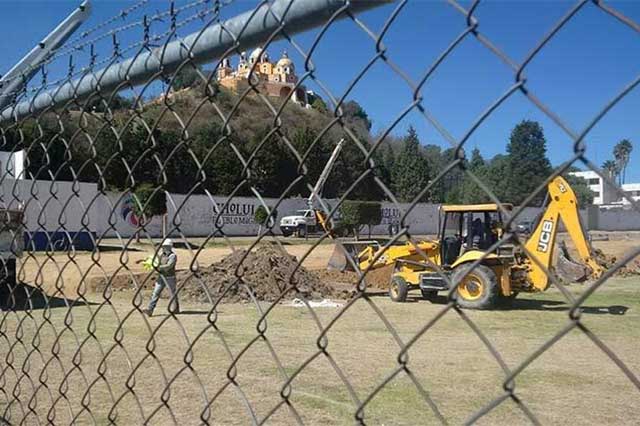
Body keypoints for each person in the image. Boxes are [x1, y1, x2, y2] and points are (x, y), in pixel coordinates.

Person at [143, 239, 179, 317]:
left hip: (170, 277)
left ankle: (176, 308)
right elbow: (155, 261)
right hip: (161, 277)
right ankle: (150, 309)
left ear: (170, 247)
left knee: (172, 293)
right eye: (163, 246)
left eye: (166, 246)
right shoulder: (161, 255)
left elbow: (169, 266)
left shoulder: (173, 256)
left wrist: (158, 267)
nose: (164, 248)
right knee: (156, 293)